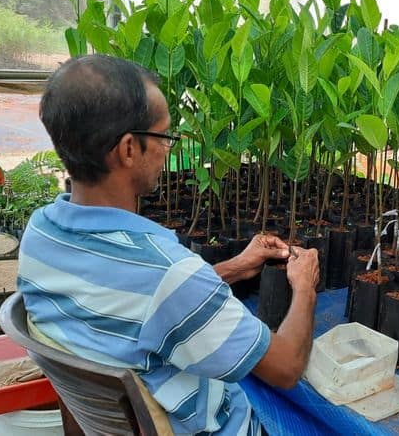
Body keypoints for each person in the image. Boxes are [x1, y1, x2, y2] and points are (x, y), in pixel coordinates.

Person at [16, 54, 319, 435]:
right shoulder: (171, 276)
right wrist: (304, 285)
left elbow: (141, 302)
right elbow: (287, 366)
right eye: (164, 137)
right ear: (128, 149)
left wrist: (236, 267)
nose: (167, 150)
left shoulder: (38, 234)